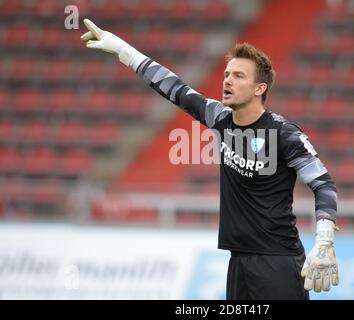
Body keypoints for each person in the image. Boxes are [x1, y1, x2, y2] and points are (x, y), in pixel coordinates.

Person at [80, 19, 339, 300]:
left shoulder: (284, 134)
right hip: (238, 263)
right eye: (227, 74)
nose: (227, 80)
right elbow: (173, 88)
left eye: (239, 76)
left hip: (277, 263)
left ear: (259, 88)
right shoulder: (220, 117)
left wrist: (324, 241)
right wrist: (123, 49)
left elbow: (323, 184)